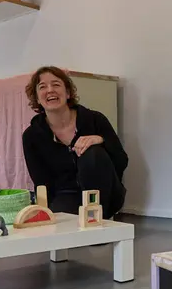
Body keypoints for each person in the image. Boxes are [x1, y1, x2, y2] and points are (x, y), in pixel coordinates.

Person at [21, 66, 128, 218]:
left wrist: (100, 140)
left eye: (56, 84)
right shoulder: (32, 136)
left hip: (104, 193)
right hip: (66, 195)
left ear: (68, 93)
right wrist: (46, 211)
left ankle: (98, 218)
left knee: (92, 152)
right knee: (63, 228)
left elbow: (121, 160)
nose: (50, 90)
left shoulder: (95, 119)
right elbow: (41, 182)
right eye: (42, 87)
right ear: (37, 98)